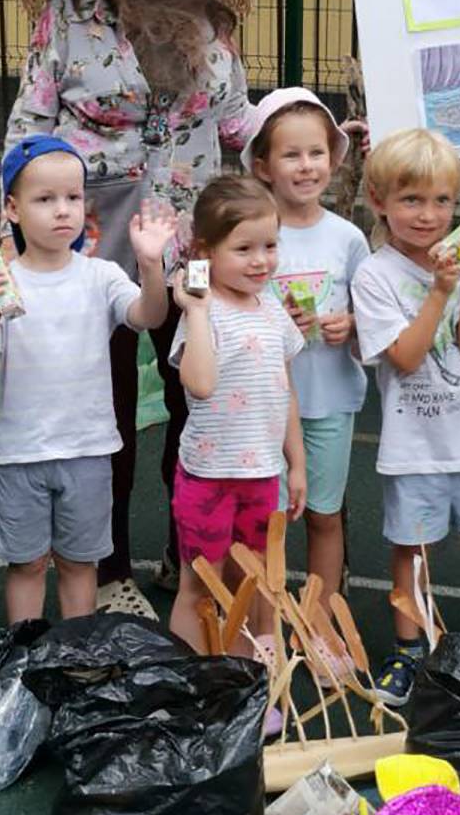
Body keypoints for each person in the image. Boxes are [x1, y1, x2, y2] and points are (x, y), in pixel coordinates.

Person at [7, 0, 268, 619]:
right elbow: (29, 123)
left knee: (202, 400)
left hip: (194, 242)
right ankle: (109, 568)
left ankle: (187, 554)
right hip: (95, 242)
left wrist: (313, 134)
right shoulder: (69, 12)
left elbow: (238, 124)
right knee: (105, 408)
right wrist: (17, 239)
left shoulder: (214, 17)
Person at [0, 137, 174, 622]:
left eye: (73, 198)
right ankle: (27, 658)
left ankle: (75, 660)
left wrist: (149, 265)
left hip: (88, 449)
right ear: (12, 209)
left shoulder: (100, 275)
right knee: (28, 565)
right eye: (45, 200)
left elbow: (148, 314)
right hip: (22, 454)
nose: (63, 211)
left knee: (81, 565)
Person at [352, 129, 460, 706]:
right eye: (412, 201)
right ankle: (409, 650)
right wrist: (439, 291)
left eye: (442, 202)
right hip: (415, 443)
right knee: (413, 552)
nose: (428, 216)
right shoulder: (374, 274)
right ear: (379, 201)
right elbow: (404, 355)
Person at [165, 176, 307, 667]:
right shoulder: (203, 315)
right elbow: (199, 383)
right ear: (205, 251)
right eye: (244, 248)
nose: (261, 260)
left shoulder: (271, 309)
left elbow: (284, 391)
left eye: (270, 245)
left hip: (262, 478)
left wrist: (297, 463)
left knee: (256, 583)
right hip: (208, 477)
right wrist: (197, 309)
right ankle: (193, 679)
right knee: (200, 584)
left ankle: (248, 680)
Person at [242, 87, 368, 622]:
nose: (306, 166)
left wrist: (352, 325)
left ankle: (321, 623)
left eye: (316, 152)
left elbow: (375, 320)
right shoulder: (252, 236)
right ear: (265, 166)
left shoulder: (347, 238)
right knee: (268, 521)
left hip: (331, 399)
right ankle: (264, 625)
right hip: (265, 409)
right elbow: (231, 312)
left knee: (323, 515)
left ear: (333, 159)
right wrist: (273, 324)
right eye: (291, 155)